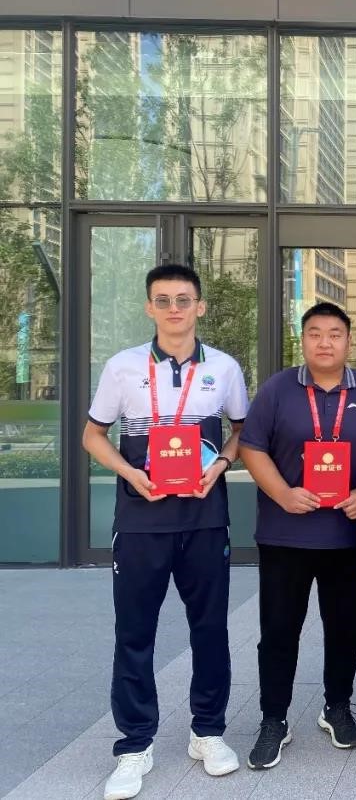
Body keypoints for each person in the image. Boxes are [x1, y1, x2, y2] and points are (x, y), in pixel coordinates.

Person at [84, 264, 248, 800]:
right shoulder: (122, 366)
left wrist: (221, 463)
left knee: (210, 630)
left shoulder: (223, 367)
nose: (174, 308)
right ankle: (134, 745)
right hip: (141, 519)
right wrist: (129, 473)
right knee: (134, 633)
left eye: (183, 299)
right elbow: (93, 435)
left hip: (205, 518)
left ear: (200, 307)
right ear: (149, 307)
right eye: (163, 300)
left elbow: (242, 429)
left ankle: (209, 733)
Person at [239, 302, 356, 770]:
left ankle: (337, 707)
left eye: (334, 334)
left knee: (345, 629)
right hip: (285, 535)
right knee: (279, 631)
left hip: (345, 537)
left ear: (348, 341)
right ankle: (273, 719)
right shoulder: (277, 389)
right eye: (315, 333)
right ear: (302, 339)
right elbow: (251, 447)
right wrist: (283, 494)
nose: (325, 342)